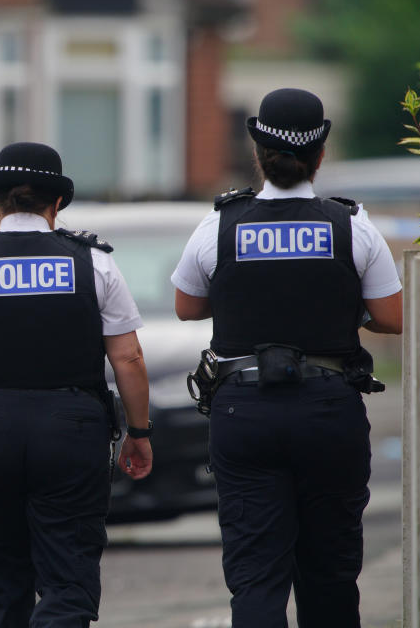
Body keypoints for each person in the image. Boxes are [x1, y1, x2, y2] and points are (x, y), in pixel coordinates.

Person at [171, 88, 403, 627]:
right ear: (319, 154)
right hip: (328, 410)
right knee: (330, 570)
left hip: (243, 412)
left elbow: (186, 306)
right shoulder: (352, 226)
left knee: (256, 573)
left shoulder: (220, 225)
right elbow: (391, 316)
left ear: (258, 151)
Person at [0, 142, 153, 628]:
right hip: (72, 430)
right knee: (68, 578)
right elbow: (128, 355)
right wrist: (138, 432)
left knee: (0, 580)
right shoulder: (93, 262)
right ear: (56, 205)